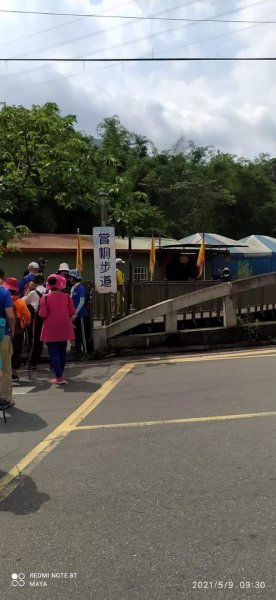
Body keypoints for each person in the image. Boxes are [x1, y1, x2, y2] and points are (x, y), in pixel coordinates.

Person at [39, 274, 75, 385]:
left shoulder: (45, 298)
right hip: (64, 326)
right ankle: (61, 375)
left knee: (53, 352)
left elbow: (42, 314)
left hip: (50, 327)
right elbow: (72, 312)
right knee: (62, 351)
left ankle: (59, 377)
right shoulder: (67, 297)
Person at [4, 278, 31, 381]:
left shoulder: (3, 298)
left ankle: (4, 373)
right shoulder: (20, 301)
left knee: (5, 351)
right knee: (16, 350)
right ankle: (13, 373)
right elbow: (27, 316)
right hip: (18, 329)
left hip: (4, 329)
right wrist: (26, 324)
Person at [23, 274, 47, 367]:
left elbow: (23, 302)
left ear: (34, 282)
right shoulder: (47, 290)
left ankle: (33, 361)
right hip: (47, 316)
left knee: (36, 339)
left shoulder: (33, 292)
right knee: (46, 338)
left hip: (38, 316)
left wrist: (28, 289)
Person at [0, 283, 15, 407]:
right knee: (4, 367)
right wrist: (13, 330)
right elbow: (10, 315)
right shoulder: (4, 292)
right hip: (2, 333)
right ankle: (5, 398)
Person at [69, 269, 90, 355]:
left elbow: (82, 301)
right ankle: (78, 350)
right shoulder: (74, 288)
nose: (69, 279)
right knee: (77, 334)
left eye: (70, 277)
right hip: (75, 315)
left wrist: (75, 313)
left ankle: (86, 351)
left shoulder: (80, 287)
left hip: (81, 314)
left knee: (83, 334)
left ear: (74, 278)